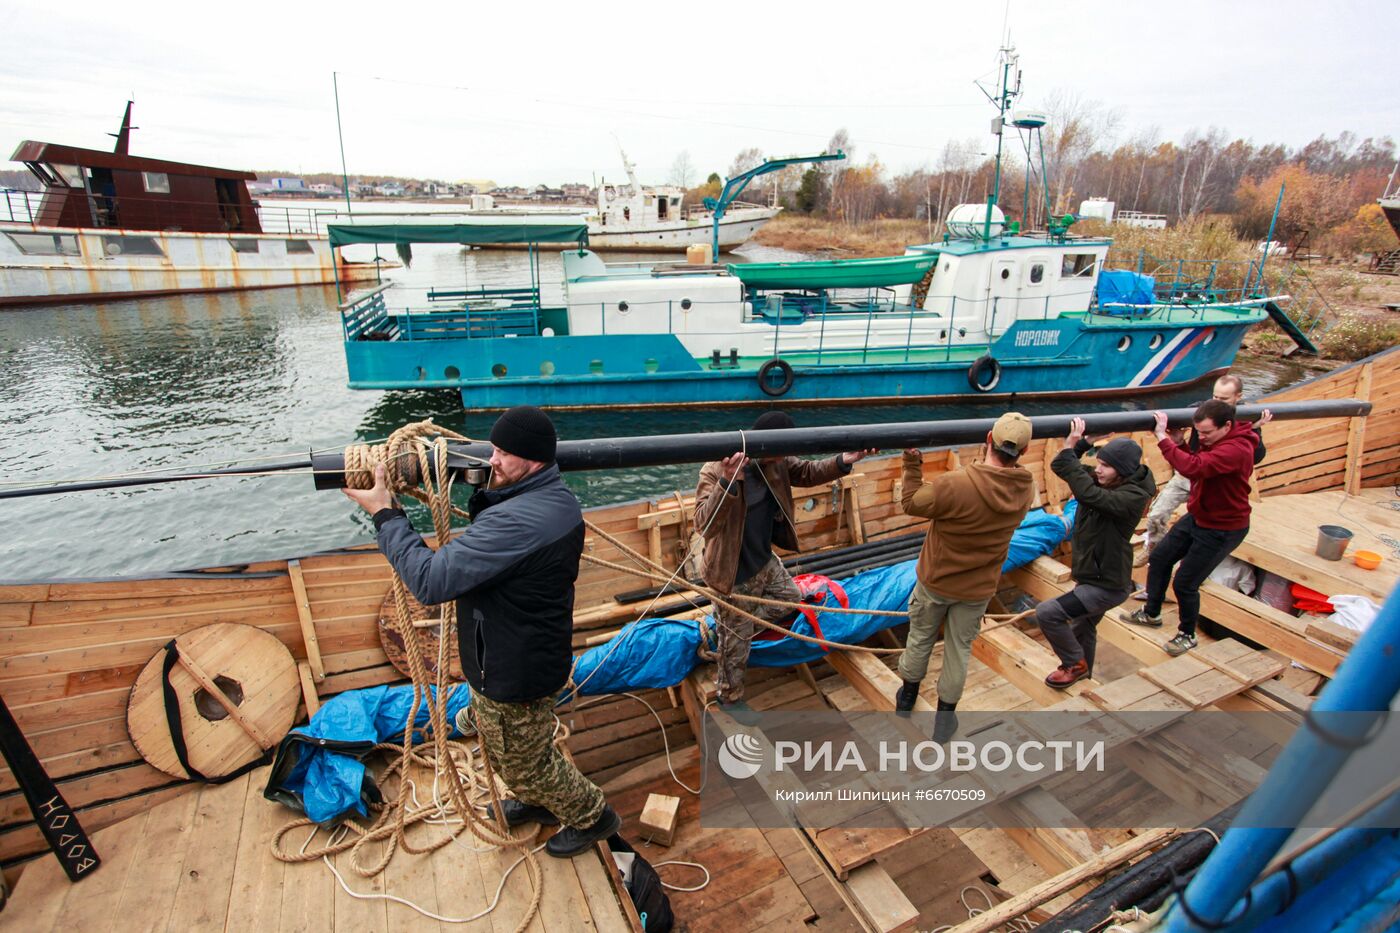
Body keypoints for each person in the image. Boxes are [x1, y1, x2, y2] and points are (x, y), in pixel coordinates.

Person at [342, 405, 619, 858]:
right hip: (526, 653)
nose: (492, 460)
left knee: (523, 761)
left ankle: (593, 817)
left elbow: (430, 582)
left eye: (504, 453)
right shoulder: (552, 499)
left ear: (532, 461)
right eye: (493, 448)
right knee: (517, 743)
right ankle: (539, 802)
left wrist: (387, 514)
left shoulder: (519, 522)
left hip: (514, 672)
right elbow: (495, 535)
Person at [695, 411, 874, 705]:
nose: (787, 457)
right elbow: (704, 524)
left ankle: (727, 632)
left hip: (764, 561)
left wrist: (844, 461)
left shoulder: (777, 462)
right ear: (766, 447)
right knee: (736, 649)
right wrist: (727, 483)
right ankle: (729, 695)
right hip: (733, 575)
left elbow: (806, 472)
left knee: (790, 599)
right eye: (784, 451)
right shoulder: (715, 469)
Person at [894, 412, 1036, 741]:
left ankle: (906, 698)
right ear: (1025, 452)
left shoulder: (955, 484)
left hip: (936, 582)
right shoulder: (1025, 489)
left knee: (919, 640)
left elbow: (911, 503)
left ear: (988, 438)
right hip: (977, 589)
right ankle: (945, 721)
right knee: (959, 650)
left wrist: (912, 462)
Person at [1124, 400, 1259, 656]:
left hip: (1223, 528)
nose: (1202, 437)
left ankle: (1187, 634)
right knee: (1161, 558)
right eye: (1199, 432)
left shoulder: (1237, 449)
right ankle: (1151, 613)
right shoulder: (1218, 443)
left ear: (1227, 425)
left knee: (1186, 582)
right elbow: (1199, 463)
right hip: (1199, 516)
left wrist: (1162, 438)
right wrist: (1180, 444)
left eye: (1207, 432)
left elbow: (1193, 468)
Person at [1036, 418, 1157, 688]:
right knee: (1083, 626)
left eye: (1105, 465)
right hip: (1093, 574)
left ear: (1122, 470)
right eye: (1098, 462)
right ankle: (1083, 673)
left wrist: (1070, 448)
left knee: (1048, 613)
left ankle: (1073, 664)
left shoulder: (1131, 496)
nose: (1098, 469)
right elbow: (1061, 466)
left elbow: (1088, 494)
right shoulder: (1109, 482)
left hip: (1107, 585)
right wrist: (1084, 444)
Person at [1135, 374, 1271, 577]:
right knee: (1157, 513)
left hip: (1210, 479)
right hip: (1190, 471)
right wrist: (1177, 435)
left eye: (1223, 399)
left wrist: (1253, 429)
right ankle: (1152, 547)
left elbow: (1256, 456)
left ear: (1238, 396)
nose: (1216, 401)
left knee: (1192, 561)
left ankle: (1190, 567)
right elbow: (1189, 421)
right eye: (1215, 396)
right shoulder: (1204, 409)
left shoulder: (1245, 420)